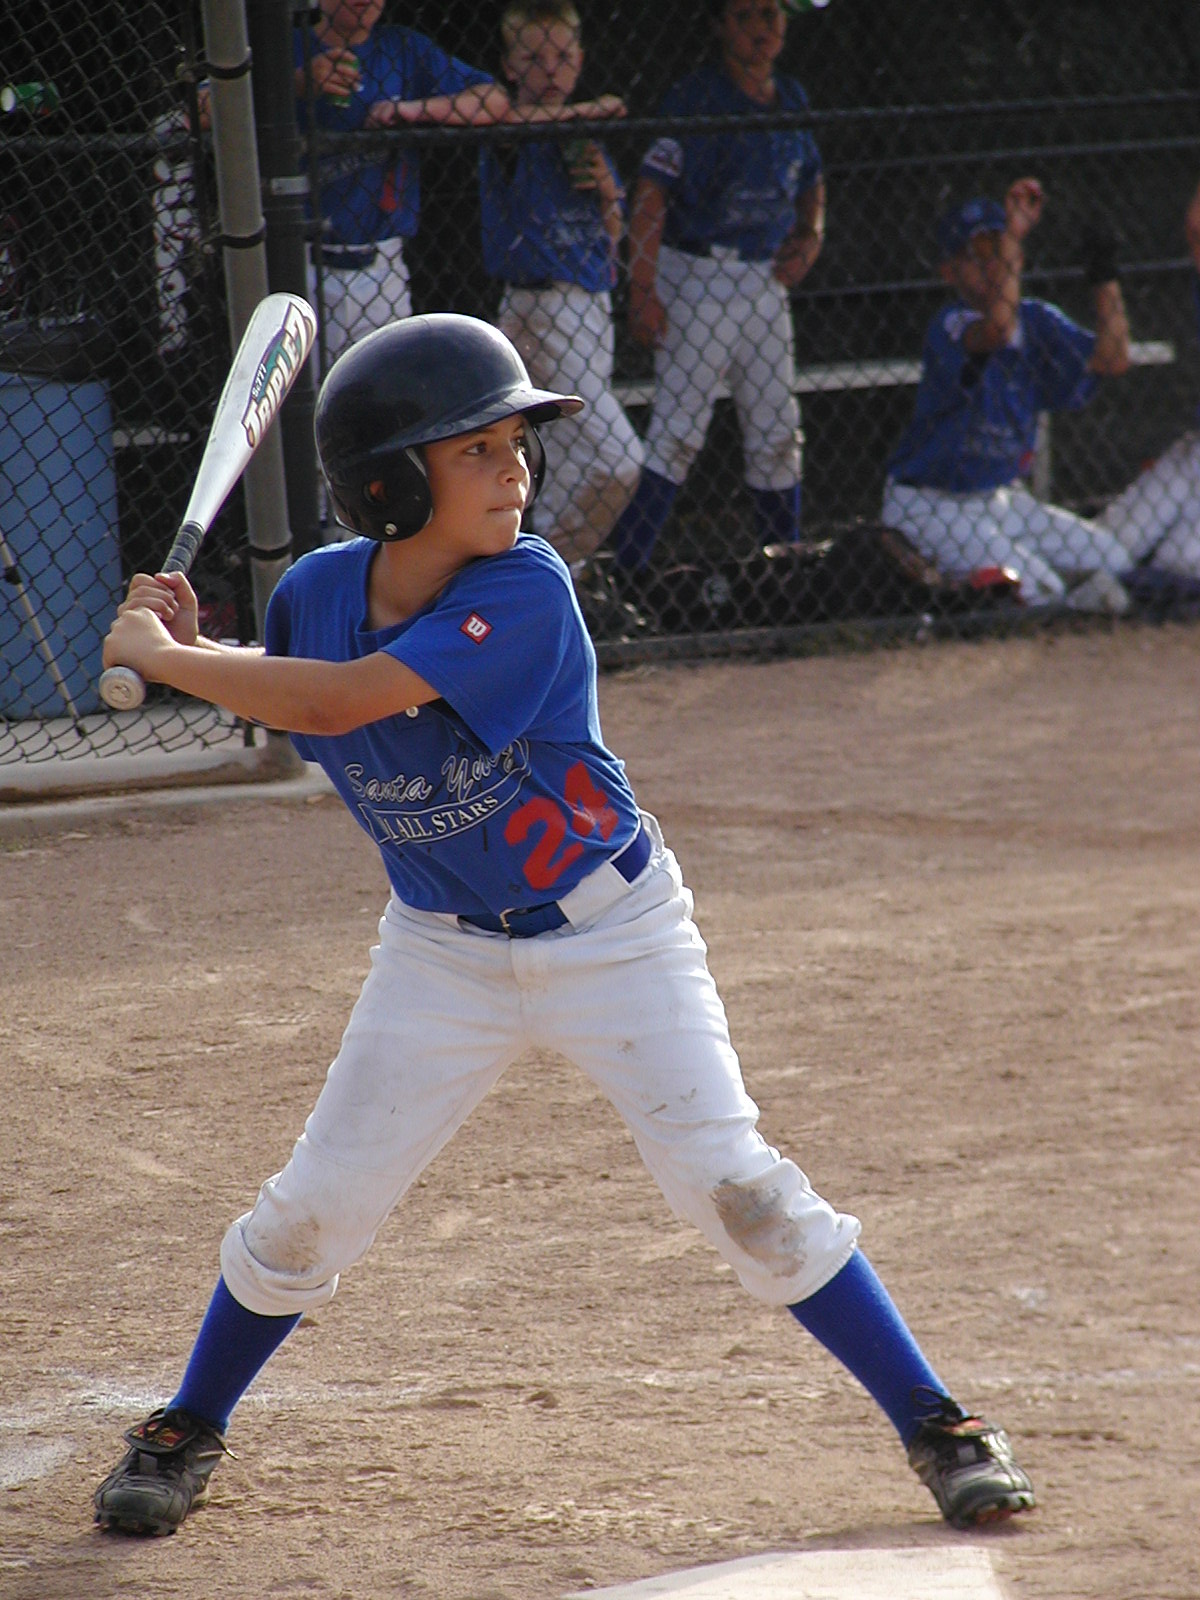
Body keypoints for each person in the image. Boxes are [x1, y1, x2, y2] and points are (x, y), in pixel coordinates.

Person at [94, 313, 1035, 1540]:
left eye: (513, 445)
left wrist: (171, 658)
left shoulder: (527, 586)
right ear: (388, 487)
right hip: (442, 951)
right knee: (316, 1205)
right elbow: (285, 691)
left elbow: (340, 702)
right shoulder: (317, 595)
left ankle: (940, 1421)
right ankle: (186, 1423)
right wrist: (190, 641)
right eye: (476, 450)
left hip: (614, 935)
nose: (516, 471)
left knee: (740, 1189)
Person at [605, 0, 825, 577]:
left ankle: (783, 570)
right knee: (678, 433)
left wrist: (811, 235)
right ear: (720, 26)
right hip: (698, 271)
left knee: (777, 429)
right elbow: (651, 192)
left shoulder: (792, 98)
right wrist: (643, 287)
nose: (762, 29)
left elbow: (812, 180)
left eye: (772, 15)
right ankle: (628, 572)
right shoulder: (696, 98)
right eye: (746, 16)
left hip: (763, 276)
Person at [296, 0, 625, 362]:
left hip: (381, 264)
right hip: (302, 263)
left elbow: (493, 101)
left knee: (386, 387)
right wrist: (295, 85)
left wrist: (412, 110)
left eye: (562, 56)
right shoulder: (288, 49)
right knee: (301, 392)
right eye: (533, 58)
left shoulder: (401, 47)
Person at [881, 177, 1138, 614]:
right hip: (930, 505)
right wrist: (1013, 240)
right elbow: (997, 330)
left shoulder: (1037, 322)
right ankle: (954, 592)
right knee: (1039, 590)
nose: (992, 262)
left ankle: (1012, 592)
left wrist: (1103, 276)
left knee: (1116, 561)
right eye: (978, 253)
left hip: (1000, 500)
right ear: (949, 272)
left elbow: (1113, 359)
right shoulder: (952, 323)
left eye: (997, 247)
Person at [479, 0, 643, 568]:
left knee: (572, 464)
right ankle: (549, 569)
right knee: (621, 459)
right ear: (510, 66)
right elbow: (505, 124)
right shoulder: (509, 130)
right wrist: (588, 111)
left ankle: (552, 581)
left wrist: (608, 193)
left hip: (592, 305)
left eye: (563, 57)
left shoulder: (585, 139)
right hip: (541, 306)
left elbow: (613, 234)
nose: (551, 70)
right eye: (534, 59)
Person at [1091, 172, 1200, 600]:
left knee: (1181, 562)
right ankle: (1087, 601)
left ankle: (1123, 598)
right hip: (1194, 455)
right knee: (1108, 544)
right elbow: (1197, 225)